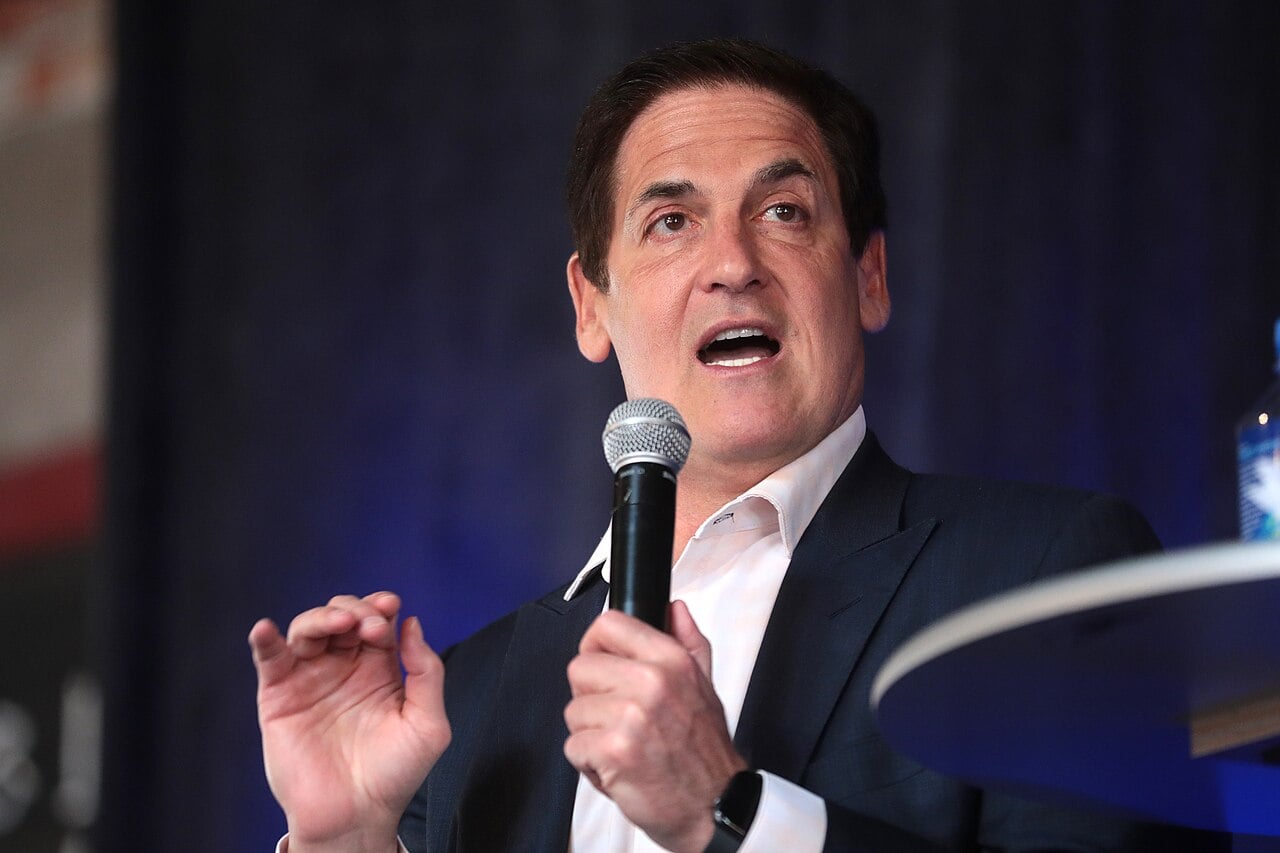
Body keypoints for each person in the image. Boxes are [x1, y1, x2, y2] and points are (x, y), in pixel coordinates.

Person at [249, 38, 1229, 852]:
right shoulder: (467, 694)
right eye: (671, 221)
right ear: (590, 305)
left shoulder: (1046, 577)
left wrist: (729, 809)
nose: (731, 264)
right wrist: (347, 838)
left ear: (869, 277)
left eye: (783, 212)